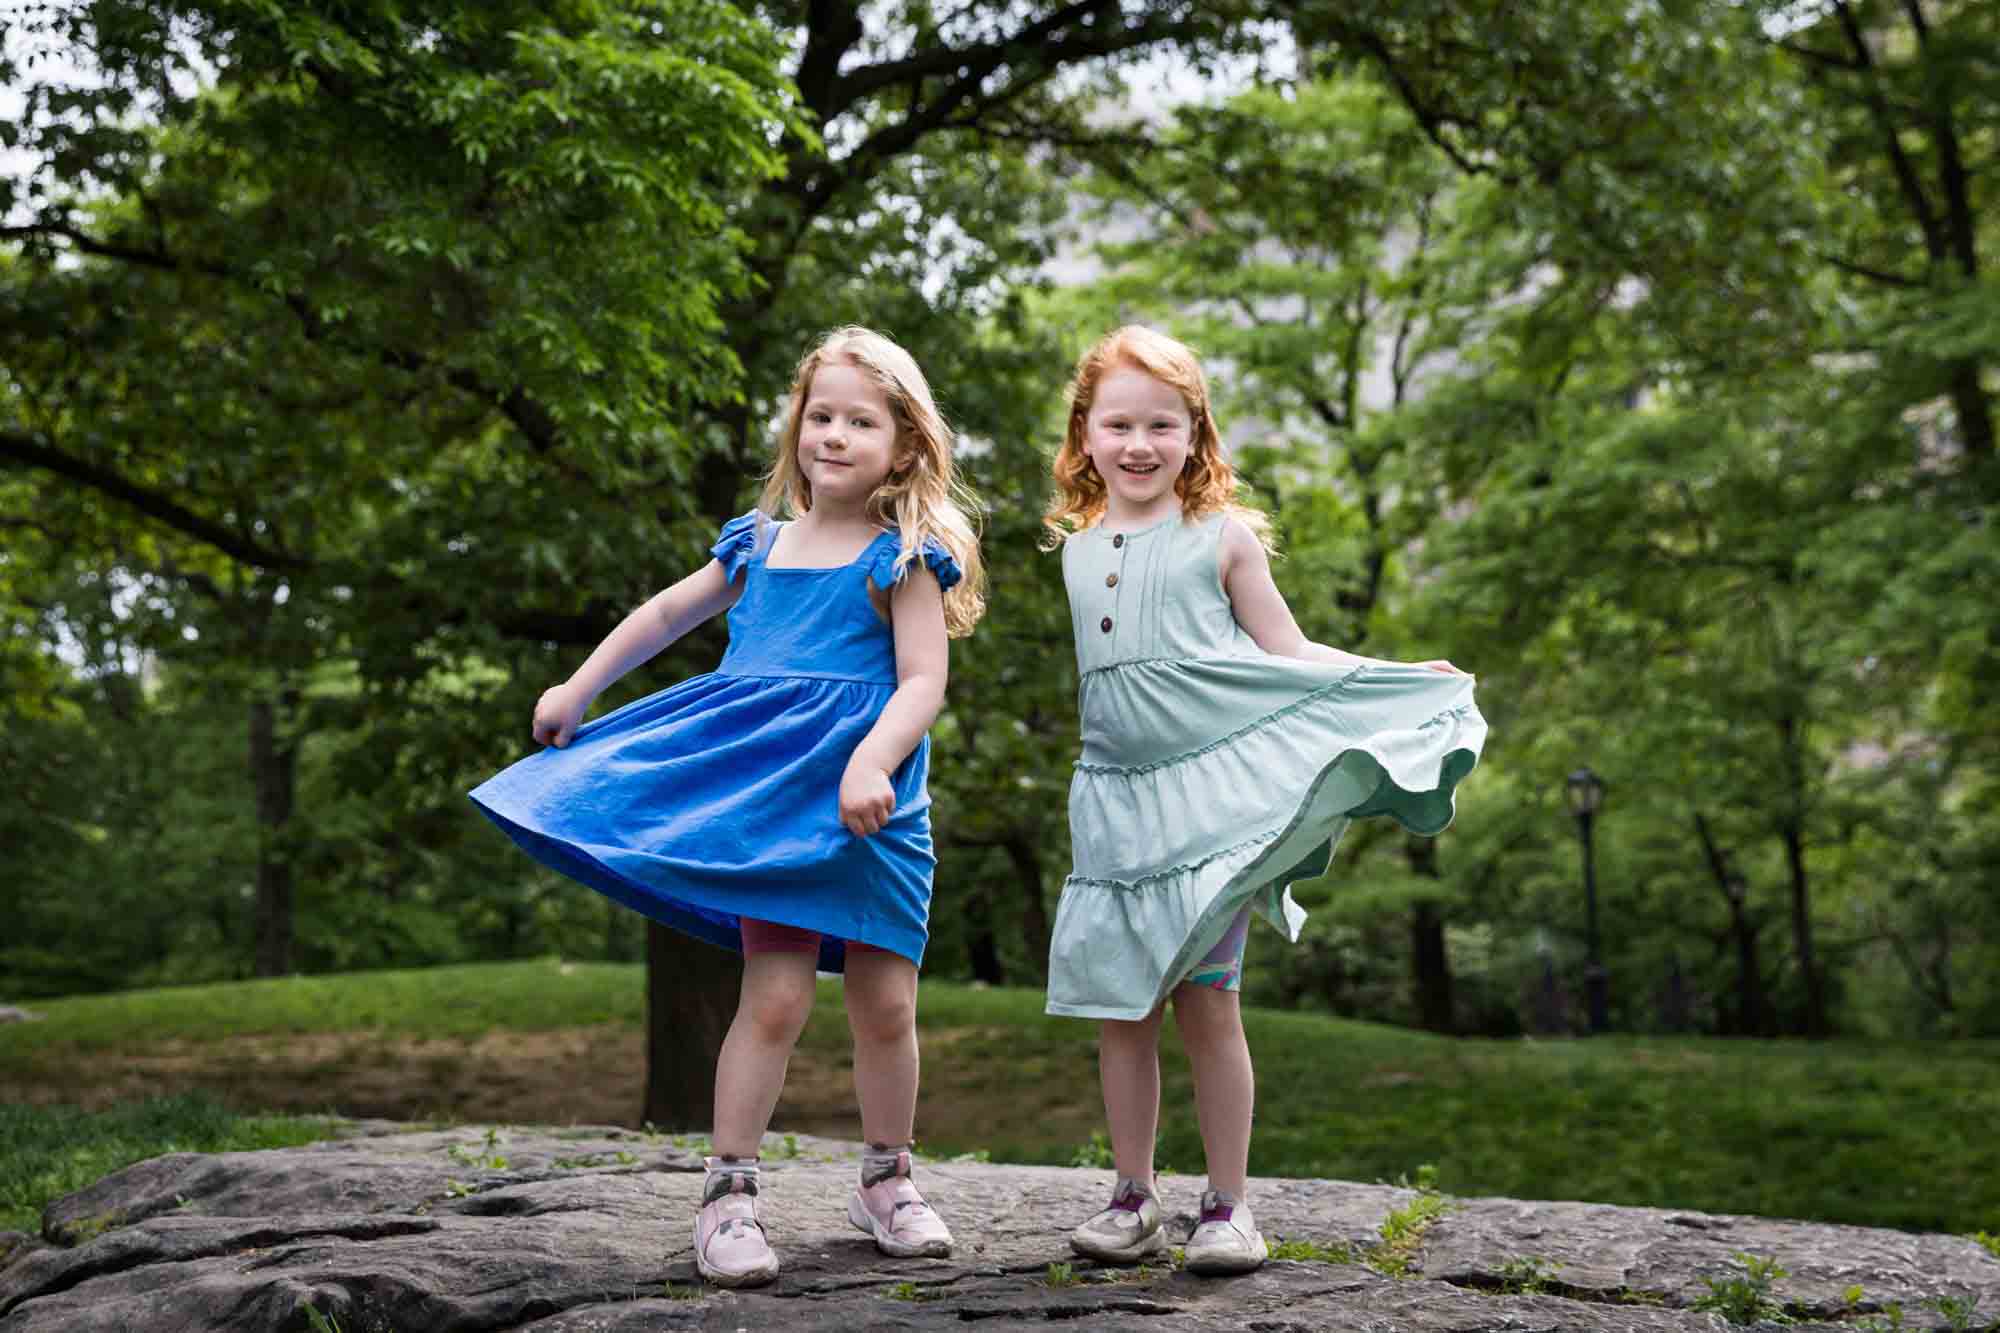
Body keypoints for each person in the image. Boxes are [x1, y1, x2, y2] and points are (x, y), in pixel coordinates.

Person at [470, 327, 986, 1288]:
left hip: (873, 807)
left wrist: (872, 760)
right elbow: (666, 614)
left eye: (859, 420)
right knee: (777, 997)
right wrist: (579, 688)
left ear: (904, 446)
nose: (832, 434)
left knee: (886, 1004)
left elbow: (923, 682)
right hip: (772, 808)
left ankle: (888, 1179)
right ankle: (729, 1194)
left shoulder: (904, 557)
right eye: (818, 416)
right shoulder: (757, 545)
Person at [1041, 325, 1484, 1275]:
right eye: (1118, 424)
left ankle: (1229, 1205)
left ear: (1196, 435)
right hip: (1116, 806)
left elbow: (1289, 653)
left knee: (1208, 1002)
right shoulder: (1078, 551)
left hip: (1213, 808)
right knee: (1124, 1009)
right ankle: (1131, 1196)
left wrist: (1392, 673)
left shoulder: (1221, 537)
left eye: (1164, 424)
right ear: (1084, 435)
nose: (1140, 444)